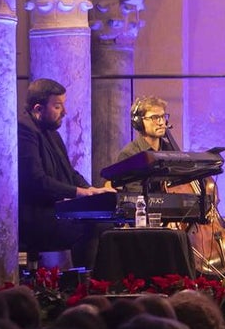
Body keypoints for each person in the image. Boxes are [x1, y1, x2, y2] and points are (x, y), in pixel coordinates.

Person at [17, 78, 114, 268]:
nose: (65, 112)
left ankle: (100, 284)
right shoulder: (24, 130)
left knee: (107, 222)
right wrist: (79, 193)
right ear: (38, 109)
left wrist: (92, 190)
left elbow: (69, 172)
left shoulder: (52, 132)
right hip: (34, 218)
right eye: (58, 106)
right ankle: (85, 285)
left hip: (54, 211)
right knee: (95, 226)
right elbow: (37, 181)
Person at [117, 96, 179, 161]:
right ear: (139, 122)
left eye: (162, 116)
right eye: (154, 117)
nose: (161, 122)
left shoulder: (172, 150)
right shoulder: (128, 155)